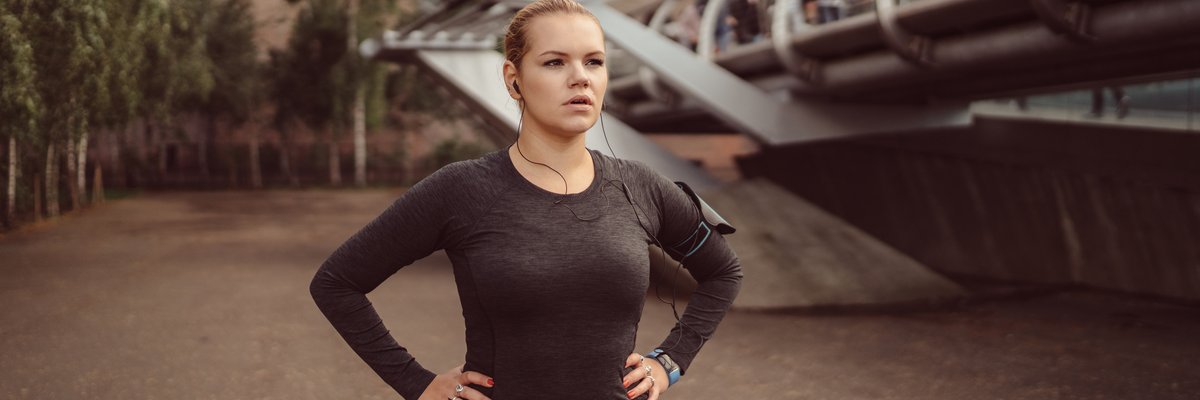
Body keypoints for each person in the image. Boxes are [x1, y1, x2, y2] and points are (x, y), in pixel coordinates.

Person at [308, 1, 744, 399]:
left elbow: (723, 272)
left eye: (594, 61)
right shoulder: (462, 190)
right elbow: (336, 283)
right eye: (555, 62)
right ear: (513, 80)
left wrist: (669, 362)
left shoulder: (641, 187)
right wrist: (417, 383)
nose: (581, 77)